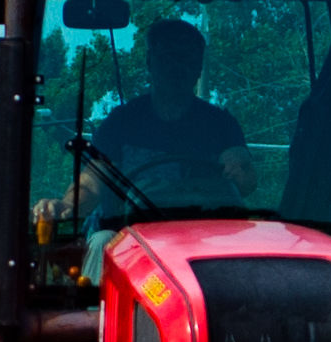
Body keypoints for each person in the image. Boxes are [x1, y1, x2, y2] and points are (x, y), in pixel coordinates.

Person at [83, 17, 245, 207]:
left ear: (199, 67)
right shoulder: (120, 122)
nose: (176, 68)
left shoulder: (221, 125)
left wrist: (239, 168)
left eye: (187, 59)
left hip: (202, 232)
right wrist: (66, 206)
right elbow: (92, 181)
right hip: (123, 231)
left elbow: (245, 180)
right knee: (102, 239)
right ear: (150, 62)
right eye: (168, 57)